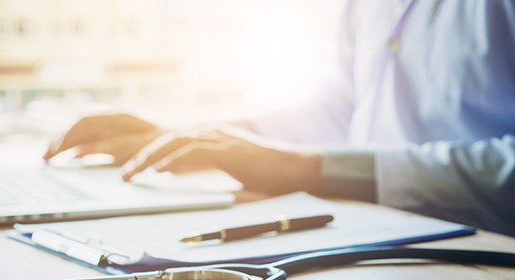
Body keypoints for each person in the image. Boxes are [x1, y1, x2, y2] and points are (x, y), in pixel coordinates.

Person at [43, 0, 515, 236]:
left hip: (486, 258)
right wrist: (199, 139)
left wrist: (310, 169)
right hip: (374, 234)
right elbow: (338, 109)